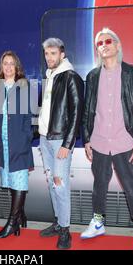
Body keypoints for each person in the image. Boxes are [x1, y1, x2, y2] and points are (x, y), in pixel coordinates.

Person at [80, 27, 133, 250]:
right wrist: (87, 139)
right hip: (99, 141)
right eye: (99, 43)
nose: (104, 46)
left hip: (125, 142)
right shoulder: (92, 77)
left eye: (108, 41)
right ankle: (98, 223)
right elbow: (87, 111)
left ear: (118, 45)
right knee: (99, 185)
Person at [38, 38, 84, 249]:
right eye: (47, 53)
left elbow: (76, 113)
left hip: (59, 141)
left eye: (53, 53)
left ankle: (65, 230)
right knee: (51, 184)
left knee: (60, 184)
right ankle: (58, 222)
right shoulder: (50, 76)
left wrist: (67, 144)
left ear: (62, 54)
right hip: (45, 139)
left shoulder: (70, 77)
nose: (49, 57)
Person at [0, 51, 34, 238]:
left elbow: (27, 118)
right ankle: (20, 215)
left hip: (18, 143)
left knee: (20, 180)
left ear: (17, 67)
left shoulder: (23, 87)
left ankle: (12, 223)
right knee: (12, 182)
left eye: (11, 64)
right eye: (5, 63)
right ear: (1, 67)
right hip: (2, 144)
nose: (8, 67)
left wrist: (25, 138)